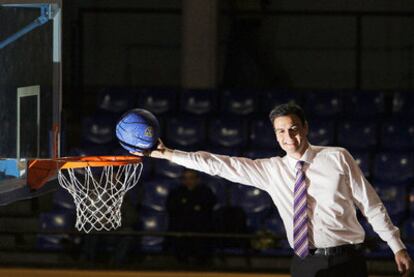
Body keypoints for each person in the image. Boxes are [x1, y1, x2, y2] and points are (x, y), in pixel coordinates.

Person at [132, 102, 413, 277]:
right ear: (275, 134)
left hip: (347, 261)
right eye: (280, 131)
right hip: (304, 263)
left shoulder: (337, 157)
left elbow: (371, 204)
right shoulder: (270, 170)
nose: (288, 137)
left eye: (293, 129)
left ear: (305, 127)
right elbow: (217, 164)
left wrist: (396, 246)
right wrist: (168, 153)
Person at [166, 169, 216, 265]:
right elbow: (172, 209)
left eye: (191, 178)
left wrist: (188, 207)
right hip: (181, 227)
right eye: (185, 178)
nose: (188, 181)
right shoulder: (176, 192)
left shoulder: (206, 191)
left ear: (197, 179)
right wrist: (194, 207)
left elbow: (207, 208)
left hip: (201, 227)